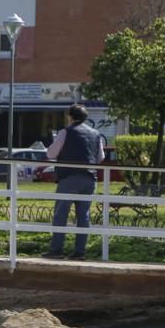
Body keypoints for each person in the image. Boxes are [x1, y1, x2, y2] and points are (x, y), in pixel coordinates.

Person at [44, 104, 104, 260]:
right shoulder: (96, 134)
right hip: (90, 178)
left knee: (61, 214)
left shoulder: (65, 132)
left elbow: (51, 153)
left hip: (69, 177)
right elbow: (100, 158)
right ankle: (80, 252)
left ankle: (56, 250)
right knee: (83, 216)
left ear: (70, 117)